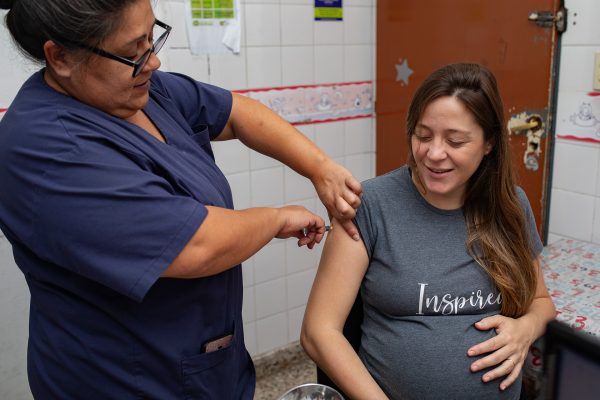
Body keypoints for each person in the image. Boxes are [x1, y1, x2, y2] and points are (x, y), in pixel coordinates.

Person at [0, 0, 363, 398]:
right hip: (124, 380)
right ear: (61, 57)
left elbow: (237, 112)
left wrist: (320, 168)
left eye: (151, 38)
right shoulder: (47, 149)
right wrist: (276, 218)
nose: (153, 62)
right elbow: (195, 246)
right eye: (132, 52)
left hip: (206, 367)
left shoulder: (143, 92)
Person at [301, 63, 556, 400]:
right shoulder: (371, 205)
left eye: (455, 141)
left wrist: (526, 329)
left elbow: (541, 302)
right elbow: (318, 332)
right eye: (423, 136)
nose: (434, 154)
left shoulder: (510, 205)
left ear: (490, 143)